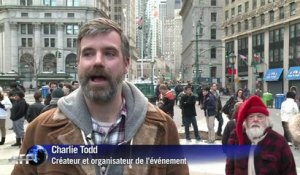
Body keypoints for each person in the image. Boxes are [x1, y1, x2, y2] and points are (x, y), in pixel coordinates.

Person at [12, 18, 188, 175]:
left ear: (126, 64)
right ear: (78, 63)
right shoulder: (39, 130)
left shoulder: (164, 128)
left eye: (109, 53)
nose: (98, 61)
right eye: (88, 54)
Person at [226, 95, 296, 174]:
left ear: (267, 120)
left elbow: (290, 171)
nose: (255, 120)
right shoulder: (236, 138)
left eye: (260, 116)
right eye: (251, 117)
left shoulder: (279, 141)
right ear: (246, 121)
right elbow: (229, 167)